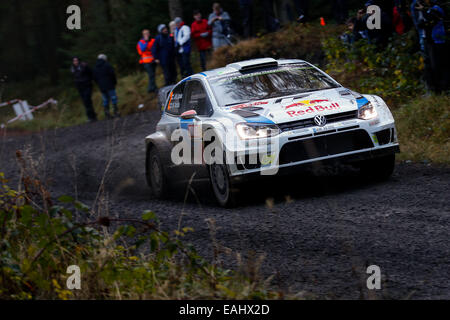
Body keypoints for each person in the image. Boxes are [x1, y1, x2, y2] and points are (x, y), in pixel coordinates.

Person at [418, 0, 448, 93]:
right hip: (430, 41)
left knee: (439, 66)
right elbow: (421, 24)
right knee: (431, 66)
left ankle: (443, 88)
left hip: (438, 41)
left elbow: (429, 20)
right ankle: (436, 89)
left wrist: (423, 11)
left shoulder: (436, 9)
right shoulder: (429, 10)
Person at [70, 57, 97, 122]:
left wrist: (90, 81)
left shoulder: (84, 66)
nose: (75, 62)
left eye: (76, 60)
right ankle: (92, 116)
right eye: (74, 61)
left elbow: (91, 73)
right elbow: (74, 77)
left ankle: (90, 117)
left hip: (87, 85)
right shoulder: (72, 68)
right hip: (80, 87)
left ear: (79, 61)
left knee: (87, 100)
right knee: (86, 102)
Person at [93, 54, 119, 119]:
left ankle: (107, 113)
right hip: (110, 84)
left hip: (101, 86)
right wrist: (114, 82)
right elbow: (112, 74)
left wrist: (99, 84)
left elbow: (94, 78)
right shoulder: (107, 65)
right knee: (113, 98)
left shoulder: (95, 67)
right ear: (105, 59)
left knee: (105, 99)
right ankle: (116, 112)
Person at [137, 29, 157, 93]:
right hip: (146, 62)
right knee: (151, 75)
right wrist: (146, 41)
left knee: (153, 75)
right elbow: (142, 49)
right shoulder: (141, 42)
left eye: (147, 33)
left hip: (153, 61)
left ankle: (151, 88)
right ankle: (152, 88)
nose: (146, 35)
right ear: (143, 35)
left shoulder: (153, 40)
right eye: (145, 34)